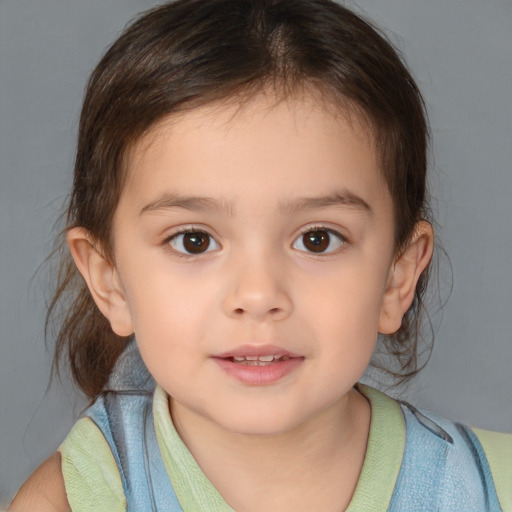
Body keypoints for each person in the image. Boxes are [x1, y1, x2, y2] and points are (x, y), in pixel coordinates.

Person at [9, 0, 511, 510]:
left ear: (397, 277)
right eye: (194, 240)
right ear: (109, 280)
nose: (258, 295)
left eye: (317, 239)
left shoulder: (492, 486)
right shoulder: (72, 501)